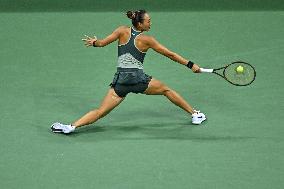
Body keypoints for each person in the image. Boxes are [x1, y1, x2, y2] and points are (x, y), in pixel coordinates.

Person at [51, 10, 206, 134]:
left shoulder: (121, 31)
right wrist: (190, 65)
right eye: (148, 21)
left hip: (120, 82)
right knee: (166, 90)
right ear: (140, 23)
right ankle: (194, 114)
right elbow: (170, 54)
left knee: (99, 112)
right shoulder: (147, 39)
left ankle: (71, 126)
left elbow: (101, 43)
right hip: (137, 79)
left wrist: (94, 43)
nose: (150, 23)